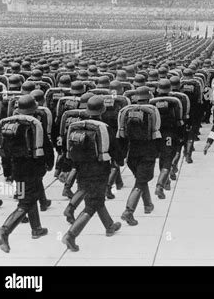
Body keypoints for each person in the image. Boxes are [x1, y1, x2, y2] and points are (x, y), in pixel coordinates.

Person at [62, 95, 123, 252]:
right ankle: (71, 234)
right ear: (102, 110)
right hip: (99, 170)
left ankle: (110, 226)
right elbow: (115, 150)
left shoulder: (75, 126)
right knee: (92, 204)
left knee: (96, 199)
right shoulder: (103, 127)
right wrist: (119, 161)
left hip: (81, 169)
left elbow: (67, 149)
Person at [0, 95, 54, 253]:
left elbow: (3, 151)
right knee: (26, 202)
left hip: (15, 168)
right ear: (34, 109)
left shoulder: (8, 123)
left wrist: (7, 171)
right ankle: (4, 231)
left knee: (26, 196)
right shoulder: (35, 124)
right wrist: (49, 164)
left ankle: (36, 228)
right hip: (32, 168)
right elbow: (46, 147)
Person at [119, 86, 161, 224]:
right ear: (149, 97)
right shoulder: (152, 110)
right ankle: (129, 210)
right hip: (147, 151)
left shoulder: (125, 110)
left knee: (140, 179)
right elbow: (157, 132)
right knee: (141, 181)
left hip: (132, 152)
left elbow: (121, 134)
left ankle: (148, 205)